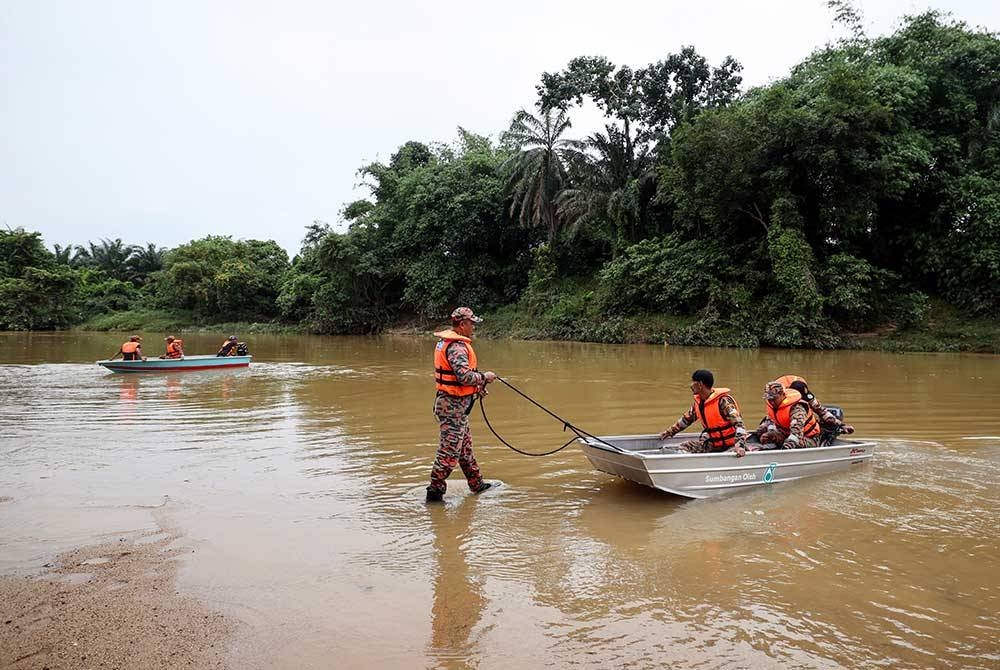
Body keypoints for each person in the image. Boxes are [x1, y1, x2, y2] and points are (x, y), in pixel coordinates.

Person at [426, 307, 497, 503]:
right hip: (452, 408)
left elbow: (461, 380)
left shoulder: (449, 343)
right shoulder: (457, 346)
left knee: (465, 450)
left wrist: (478, 387)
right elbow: (464, 376)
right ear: (462, 324)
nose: (473, 327)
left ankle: (477, 484)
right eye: (471, 323)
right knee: (449, 452)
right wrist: (485, 377)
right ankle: (434, 494)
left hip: (457, 407)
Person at [658, 369, 750, 457]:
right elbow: (685, 420)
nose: (691, 385)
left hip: (731, 446)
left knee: (729, 454)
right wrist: (669, 432)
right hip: (713, 444)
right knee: (683, 447)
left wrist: (740, 446)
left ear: (700, 384)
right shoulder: (699, 403)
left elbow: (740, 425)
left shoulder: (723, 401)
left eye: (693, 382)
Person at [773, 374, 854, 435]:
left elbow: (822, 411)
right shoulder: (780, 401)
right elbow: (772, 418)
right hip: (785, 429)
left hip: (804, 430)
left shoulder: (808, 397)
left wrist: (841, 425)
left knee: (827, 425)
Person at [752, 381, 821, 449]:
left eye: (774, 399)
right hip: (786, 435)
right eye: (769, 399)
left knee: (792, 442)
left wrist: (786, 448)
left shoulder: (797, 409)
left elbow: (796, 434)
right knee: (766, 436)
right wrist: (759, 434)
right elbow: (769, 421)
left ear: (783, 395)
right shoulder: (773, 407)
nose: (771, 402)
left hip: (808, 438)